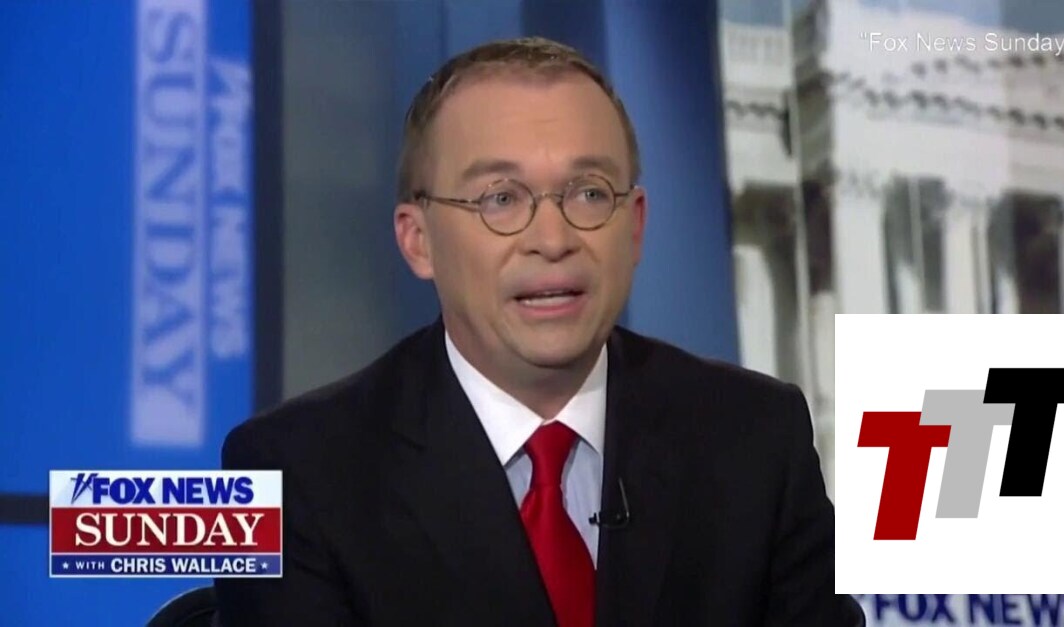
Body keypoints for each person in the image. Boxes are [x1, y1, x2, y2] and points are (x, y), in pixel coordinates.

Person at [214, 36, 864, 626]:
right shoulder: (287, 475)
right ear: (418, 241)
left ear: (635, 225)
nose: (552, 240)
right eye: (500, 198)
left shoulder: (756, 439)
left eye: (589, 193)